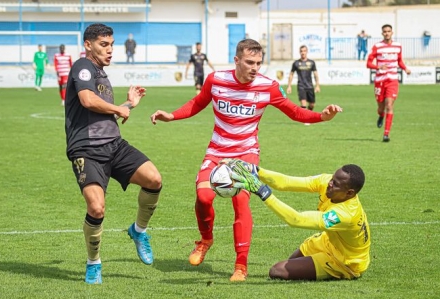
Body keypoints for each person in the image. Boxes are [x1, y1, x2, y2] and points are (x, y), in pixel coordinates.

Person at [150, 39, 342, 282]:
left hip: (246, 154)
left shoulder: (268, 86)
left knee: (241, 202)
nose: (255, 67)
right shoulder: (216, 80)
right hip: (217, 151)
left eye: (259, 63)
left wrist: (322, 117)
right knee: (203, 197)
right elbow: (196, 104)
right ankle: (205, 240)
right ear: (237, 60)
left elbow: (294, 111)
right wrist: (171, 116)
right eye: (250, 62)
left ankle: (241, 265)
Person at [64, 23, 162, 284]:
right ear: (88, 45)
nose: (110, 50)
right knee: (96, 208)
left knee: (154, 179)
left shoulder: (101, 74)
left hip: (114, 145)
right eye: (103, 45)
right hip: (86, 149)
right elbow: (87, 100)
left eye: (111, 45)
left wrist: (128, 104)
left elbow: (101, 111)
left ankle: (138, 231)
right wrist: (120, 110)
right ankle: (93, 263)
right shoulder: (83, 67)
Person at [228, 159, 370, 281]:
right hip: (326, 241)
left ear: (349, 193)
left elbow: (297, 220)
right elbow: (287, 182)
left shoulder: (346, 215)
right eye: (332, 179)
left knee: (277, 271)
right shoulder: (328, 182)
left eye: (336, 183)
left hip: (345, 261)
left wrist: (263, 192)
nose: (330, 183)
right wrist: (255, 169)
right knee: (291, 263)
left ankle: (339, 272)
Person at [367, 24, 411, 142]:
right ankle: (381, 116)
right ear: (382, 33)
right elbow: (368, 64)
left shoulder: (398, 46)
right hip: (380, 81)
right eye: (385, 31)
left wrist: (405, 69)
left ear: (392, 32)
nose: (387, 33)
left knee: (389, 105)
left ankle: (386, 134)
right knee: (381, 108)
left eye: (389, 31)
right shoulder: (377, 47)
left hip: (392, 80)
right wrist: (379, 66)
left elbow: (399, 60)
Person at [287, 45, 320, 115]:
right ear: (299, 52)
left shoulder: (311, 62)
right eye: (301, 51)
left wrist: (317, 85)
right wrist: (289, 86)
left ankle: (307, 113)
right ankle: (305, 118)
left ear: (307, 52)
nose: (303, 53)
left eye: (304, 51)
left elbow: (315, 74)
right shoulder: (296, 63)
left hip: (310, 86)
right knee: (303, 103)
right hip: (301, 86)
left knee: (312, 104)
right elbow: (291, 74)